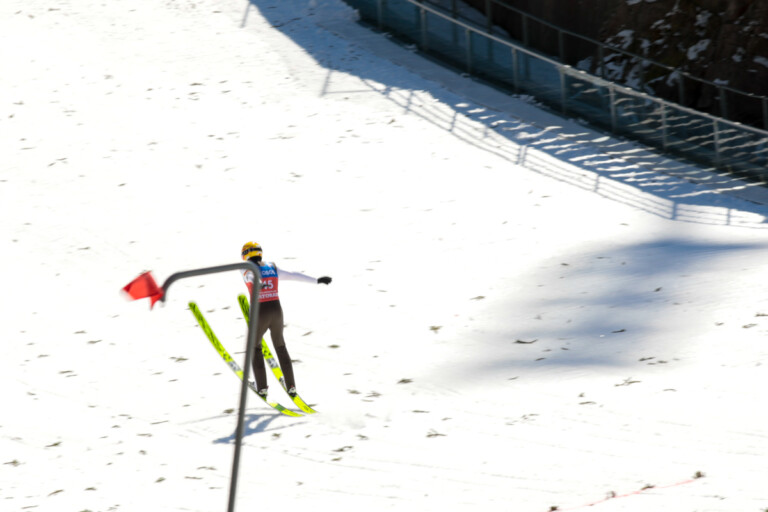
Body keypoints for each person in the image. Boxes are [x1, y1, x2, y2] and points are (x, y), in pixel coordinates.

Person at [240, 241, 332, 399]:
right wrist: (316, 280)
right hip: (277, 311)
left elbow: (250, 276)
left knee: (254, 347)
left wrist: (259, 284)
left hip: (260, 311)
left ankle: (262, 387)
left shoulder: (245, 268)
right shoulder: (272, 266)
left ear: (246, 254)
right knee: (280, 346)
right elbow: (292, 275)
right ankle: (291, 386)